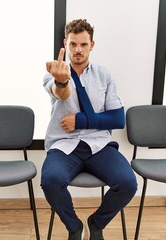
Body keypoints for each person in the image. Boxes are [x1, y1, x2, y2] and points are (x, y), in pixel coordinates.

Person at [41, 19, 137, 240]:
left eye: (83, 45)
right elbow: (60, 93)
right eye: (73, 44)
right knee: (50, 181)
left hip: (98, 144)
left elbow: (117, 118)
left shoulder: (105, 75)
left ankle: (96, 222)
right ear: (66, 42)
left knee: (127, 183)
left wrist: (82, 121)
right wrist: (63, 82)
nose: (77, 50)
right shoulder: (54, 72)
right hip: (64, 144)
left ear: (92, 44)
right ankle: (74, 227)